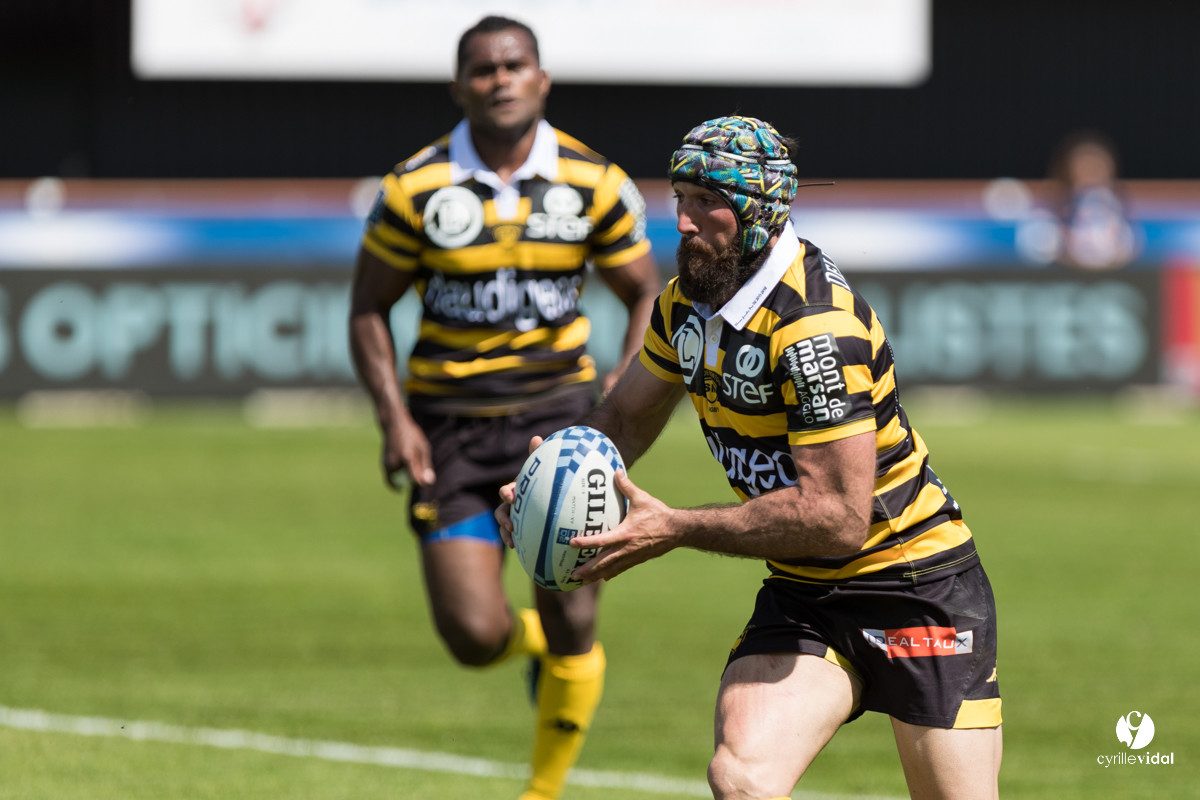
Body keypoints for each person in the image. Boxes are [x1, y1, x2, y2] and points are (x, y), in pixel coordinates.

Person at [499, 116, 1003, 799]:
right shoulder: (685, 307)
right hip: (806, 592)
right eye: (680, 198)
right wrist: (550, 483)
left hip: (917, 587)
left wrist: (673, 527)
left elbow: (836, 518)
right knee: (742, 778)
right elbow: (624, 414)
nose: (683, 221)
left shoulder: (815, 329)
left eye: (707, 202)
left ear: (759, 211)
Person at [348, 15, 660, 800]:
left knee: (575, 622)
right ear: (459, 87)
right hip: (450, 431)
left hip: (561, 426)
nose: (500, 79)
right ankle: (534, 652)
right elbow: (366, 308)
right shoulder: (414, 187)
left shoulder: (594, 181)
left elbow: (645, 293)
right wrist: (396, 420)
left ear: (542, 79)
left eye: (514, 65)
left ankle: (542, 790)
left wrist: (620, 406)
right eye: (482, 70)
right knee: (473, 634)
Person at [1047, 129, 1139, 269]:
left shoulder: (1115, 204)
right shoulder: (1062, 204)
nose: (1090, 171)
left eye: (1096, 165)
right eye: (1084, 165)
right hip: (1070, 273)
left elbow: (1129, 246)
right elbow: (1052, 245)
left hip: (1112, 273)